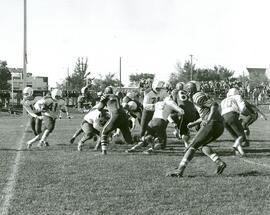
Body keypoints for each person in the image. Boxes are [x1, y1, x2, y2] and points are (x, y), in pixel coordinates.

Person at [166, 92, 226, 177]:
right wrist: (194, 123)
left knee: (192, 146)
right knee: (201, 145)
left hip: (212, 124)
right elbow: (204, 115)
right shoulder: (200, 104)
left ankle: (180, 170)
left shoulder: (199, 98)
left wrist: (208, 120)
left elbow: (214, 105)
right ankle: (219, 162)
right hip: (219, 127)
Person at [97, 86, 133, 155]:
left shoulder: (105, 96)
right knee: (128, 138)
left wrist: (104, 108)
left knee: (103, 132)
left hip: (116, 115)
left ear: (105, 92)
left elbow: (99, 108)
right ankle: (138, 146)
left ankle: (103, 151)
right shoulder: (116, 96)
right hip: (124, 116)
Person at [220, 88, 247, 155]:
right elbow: (243, 108)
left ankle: (240, 152)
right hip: (232, 115)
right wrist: (243, 114)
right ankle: (235, 146)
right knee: (242, 136)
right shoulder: (237, 96)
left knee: (236, 137)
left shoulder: (223, 100)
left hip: (223, 118)